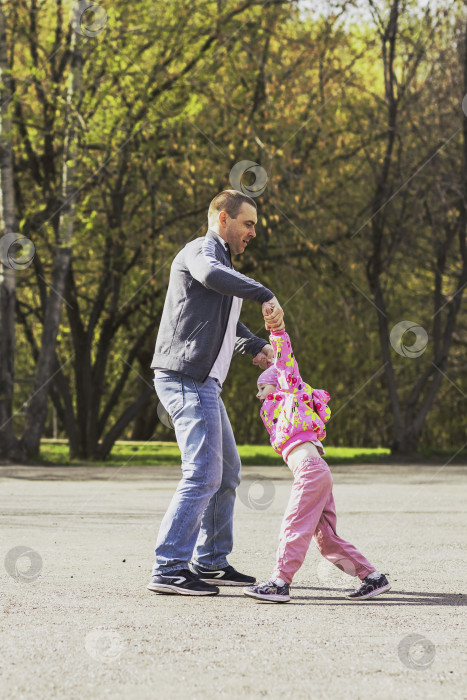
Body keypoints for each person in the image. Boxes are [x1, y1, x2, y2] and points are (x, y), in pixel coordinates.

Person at [147, 189, 284, 597]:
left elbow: (226, 323)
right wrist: (263, 292)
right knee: (204, 472)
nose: (253, 232)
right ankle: (169, 566)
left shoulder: (223, 264)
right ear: (222, 219)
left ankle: (210, 561)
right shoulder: (200, 253)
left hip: (204, 382)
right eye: (248, 223)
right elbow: (209, 276)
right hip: (185, 377)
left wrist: (255, 345)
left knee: (227, 473)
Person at [243, 313, 391, 603]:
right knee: (325, 539)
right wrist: (263, 357)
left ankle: (280, 582)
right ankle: (372, 578)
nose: (259, 395)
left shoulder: (291, 396)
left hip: (311, 471)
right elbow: (274, 381)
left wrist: (277, 331)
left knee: (294, 524)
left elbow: (285, 364)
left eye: (262, 388)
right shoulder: (277, 413)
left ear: (279, 385)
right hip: (315, 472)